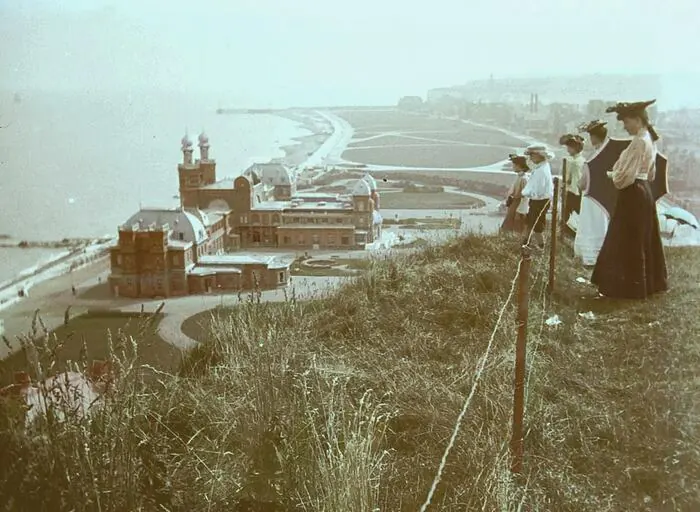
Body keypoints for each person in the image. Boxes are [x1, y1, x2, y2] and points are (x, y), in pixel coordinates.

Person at [590, 100, 668, 299]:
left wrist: (613, 175)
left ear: (637, 119)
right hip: (644, 192)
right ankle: (644, 284)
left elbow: (624, 177)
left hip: (633, 193)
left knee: (625, 238)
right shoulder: (648, 138)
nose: (624, 126)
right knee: (641, 238)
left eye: (626, 121)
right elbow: (650, 174)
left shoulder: (639, 142)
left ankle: (625, 288)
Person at [574, 120, 610, 266]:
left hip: (590, 197)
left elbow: (582, 183)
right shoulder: (610, 155)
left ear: (593, 138)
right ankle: (602, 254)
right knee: (601, 225)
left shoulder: (593, 158)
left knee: (589, 225)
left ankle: (589, 258)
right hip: (604, 198)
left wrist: (578, 184)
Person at [521, 144, 555, 250]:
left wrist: (527, 193)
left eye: (532, 155)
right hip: (540, 200)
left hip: (539, 200)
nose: (530, 157)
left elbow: (537, 189)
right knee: (530, 221)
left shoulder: (541, 171)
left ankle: (540, 245)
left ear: (539, 156)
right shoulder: (543, 166)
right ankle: (526, 242)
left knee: (536, 223)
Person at [559, 134, 585, 236]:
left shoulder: (575, 162)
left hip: (573, 193)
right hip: (577, 192)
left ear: (575, 148)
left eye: (569, 148)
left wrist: (566, 191)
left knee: (569, 215)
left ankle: (566, 234)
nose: (568, 150)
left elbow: (575, 181)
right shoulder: (581, 160)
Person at [500, 153, 530, 235]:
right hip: (514, 204)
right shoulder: (519, 177)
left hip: (519, 205)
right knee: (508, 226)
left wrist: (520, 210)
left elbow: (525, 196)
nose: (512, 166)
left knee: (516, 228)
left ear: (519, 165)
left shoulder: (524, 179)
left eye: (514, 164)